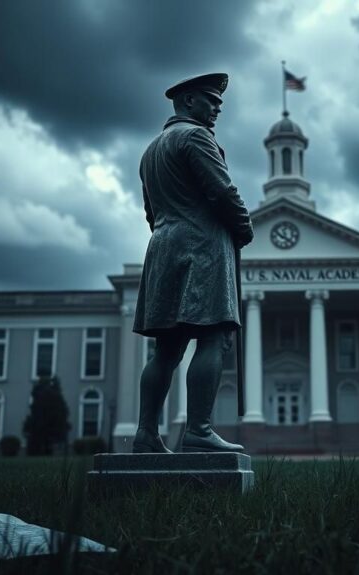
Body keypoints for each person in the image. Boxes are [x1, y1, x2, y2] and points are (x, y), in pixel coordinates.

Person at [131, 73, 253, 453]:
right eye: (210, 100)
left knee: (166, 350)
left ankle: (146, 434)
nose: (217, 108)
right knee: (213, 334)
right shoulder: (196, 137)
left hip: (163, 245)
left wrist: (171, 232)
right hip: (202, 246)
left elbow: (151, 211)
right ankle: (199, 430)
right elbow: (222, 190)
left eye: (218, 102)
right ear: (187, 101)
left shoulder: (150, 150)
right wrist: (243, 228)